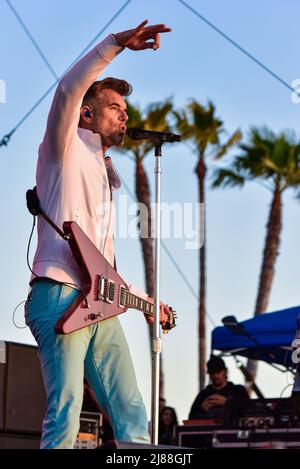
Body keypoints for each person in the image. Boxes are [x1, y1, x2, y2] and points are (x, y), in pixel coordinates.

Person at [25, 20, 172, 449]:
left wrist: (145, 304)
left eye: (126, 112)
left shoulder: (107, 177)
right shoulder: (63, 146)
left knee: (130, 410)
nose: (124, 116)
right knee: (66, 408)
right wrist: (115, 45)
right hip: (57, 294)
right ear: (88, 113)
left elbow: (102, 268)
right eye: (114, 108)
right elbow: (69, 89)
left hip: (99, 307)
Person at [189, 355, 249, 421]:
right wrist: (202, 409)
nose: (215, 375)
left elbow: (249, 410)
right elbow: (191, 419)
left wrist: (228, 403)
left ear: (225, 371)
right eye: (212, 373)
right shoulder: (203, 394)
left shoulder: (238, 391)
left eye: (218, 372)